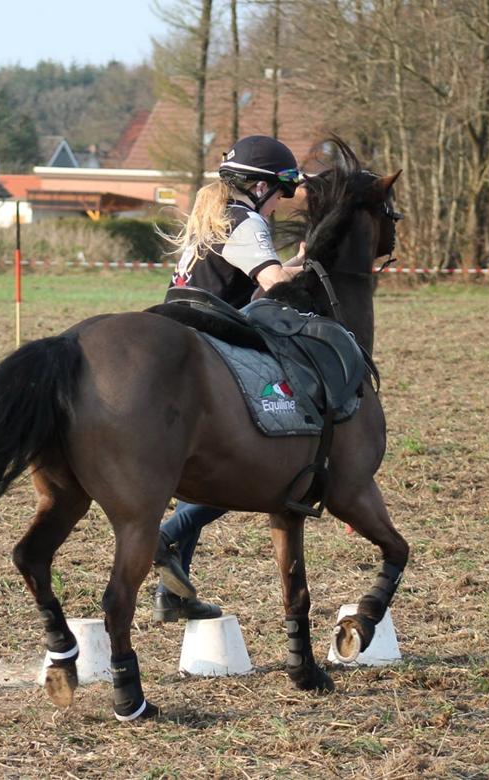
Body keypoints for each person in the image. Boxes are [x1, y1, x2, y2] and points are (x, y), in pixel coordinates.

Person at [152, 134, 307, 622]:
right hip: (211, 342)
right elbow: (274, 286)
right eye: (283, 189)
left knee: (196, 465)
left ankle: (174, 595)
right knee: (256, 466)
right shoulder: (249, 222)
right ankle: (171, 534)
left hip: (174, 332)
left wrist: (294, 264)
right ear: (261, 187)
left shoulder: (214, 217)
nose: (284, 201)